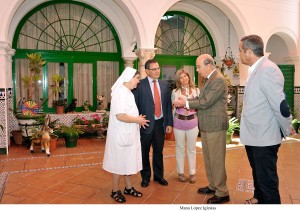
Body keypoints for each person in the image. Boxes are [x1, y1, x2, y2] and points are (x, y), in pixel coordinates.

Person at [238, 35, 292, 204]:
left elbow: (280, 106)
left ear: (248, 51)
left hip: (264, 138)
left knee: (267, 181)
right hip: (255, 136)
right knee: (258, 173)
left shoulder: (268, 69)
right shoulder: (256, 69)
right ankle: (259, 198)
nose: (239, 54)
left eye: (240, 50)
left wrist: (287, 127)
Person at [173, 54, 230, 204]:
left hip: (215, 125)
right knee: (209, 158)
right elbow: (200, 99)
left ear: (208, 65)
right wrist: (186, 100)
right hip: (207, 125)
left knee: (216, 159)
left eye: (198, 67)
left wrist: (186, 104)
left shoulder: (218, 79)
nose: (197, 70)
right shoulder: (209, 79)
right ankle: (213, 185)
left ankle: (222, 191)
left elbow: (205, 102)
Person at [102, 67, 150, 203]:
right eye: (137, 79)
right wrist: (137, 120)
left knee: (129, 162)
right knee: (118, 163)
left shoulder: (128, 92)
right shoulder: (119, 93)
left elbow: (128, 113)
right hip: (120, 136)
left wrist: (137, 118)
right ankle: (115, 190)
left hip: (129, 134)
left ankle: (128, 188)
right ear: (129, 78)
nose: (138, 82)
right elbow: (120, 116)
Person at [132, 59, 173, 187]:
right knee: (144, 151)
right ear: (147, 71)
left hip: (160, 124)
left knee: (158, 151)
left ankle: (159, 176)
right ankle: (145, 177)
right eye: (154, 69)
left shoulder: (165, 85)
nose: (157, 71)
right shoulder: (139, 85)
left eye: (158, 68)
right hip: (145, 123)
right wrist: (137, 121)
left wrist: (169, 123)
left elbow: (167, 106)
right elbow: (135, 106)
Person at [171, 69, 199, 183]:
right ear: (179, 80)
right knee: (180, 148)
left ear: (189, 77)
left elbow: (199, 106)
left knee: (192, 149)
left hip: (192, 122)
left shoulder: (197, 91)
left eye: (185, 76)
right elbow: (173, 108)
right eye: (181, 77)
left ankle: (192, 173)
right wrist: (176, 105)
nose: (184, 79)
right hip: (179, 123)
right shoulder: (175, 92)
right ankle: (181, 172)